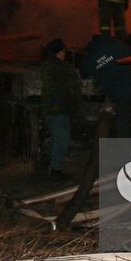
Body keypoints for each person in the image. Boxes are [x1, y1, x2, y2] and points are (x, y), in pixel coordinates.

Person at [80, 33, 131, 138]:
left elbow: (84, 73)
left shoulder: (89, 58)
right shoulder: (115, 44)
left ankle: (123, 151)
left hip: (118, 95)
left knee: (122, 125)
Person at [40, 38, 81, 178]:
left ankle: (46, 159)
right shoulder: (65, 68)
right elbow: (73, 90)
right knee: (62, 140)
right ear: (59, 52)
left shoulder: (46, 66)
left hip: (48, 110)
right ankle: (56, 170)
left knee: (56, 138)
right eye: (63, 50)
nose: (65, 53)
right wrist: (77, 109)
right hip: (60, 110)